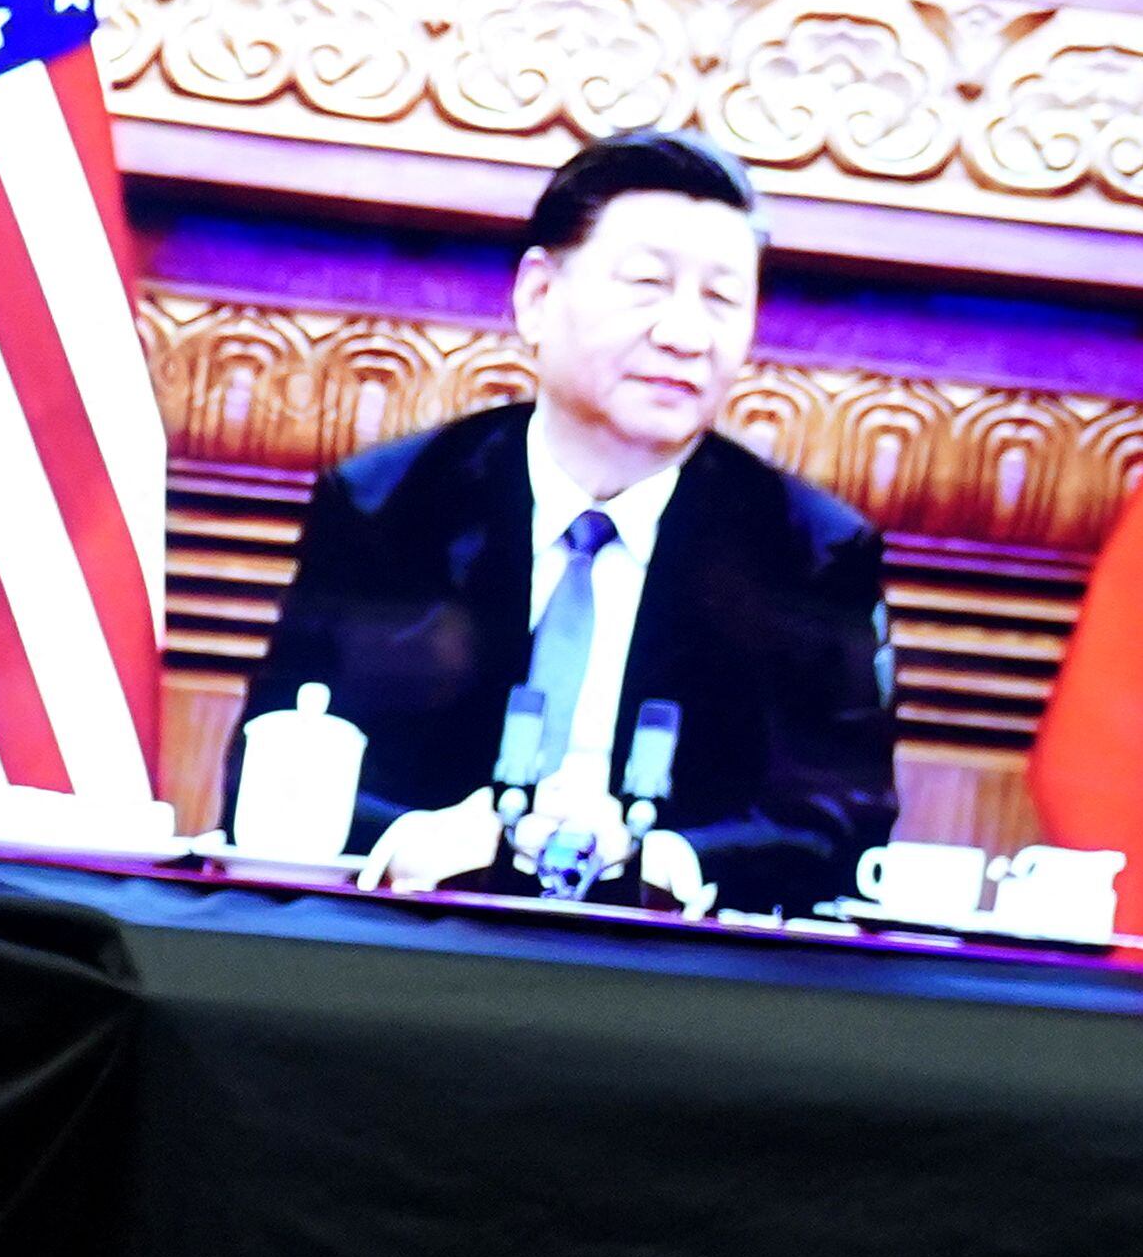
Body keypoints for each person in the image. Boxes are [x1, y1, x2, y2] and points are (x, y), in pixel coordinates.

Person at [234, 129, 895, 914]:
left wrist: (671, 858)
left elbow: (844, 821)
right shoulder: (393, 504)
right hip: (415, 946)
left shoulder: (808, 550)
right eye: (647, 285)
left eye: (721, 298)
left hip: (676, 977)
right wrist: (407, 838)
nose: (686, 334)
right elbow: (272, 765)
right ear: (539, 297)